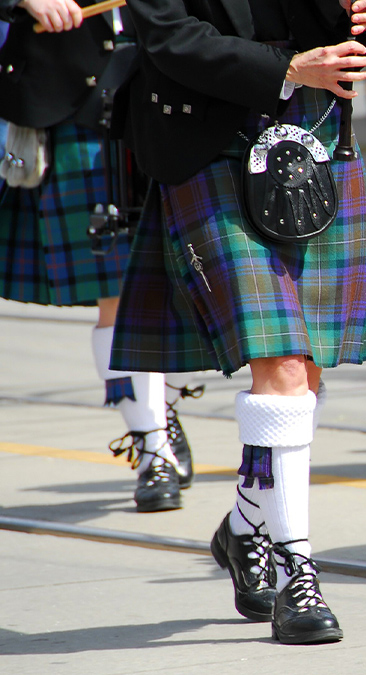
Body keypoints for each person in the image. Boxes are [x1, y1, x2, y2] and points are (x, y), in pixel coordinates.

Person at [111, 0, 366, 645]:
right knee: (278, 359)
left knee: (305, 366)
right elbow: (167, 33)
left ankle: (247, 526)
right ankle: (296, 572)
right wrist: (287, 67)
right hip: (209, 130)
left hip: (320, 126)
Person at [0, 0, 198, 513]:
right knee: (118, 291)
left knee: (186, 283)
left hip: (173, 91)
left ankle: (157, 408)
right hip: (73, 101)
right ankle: (153, 447)